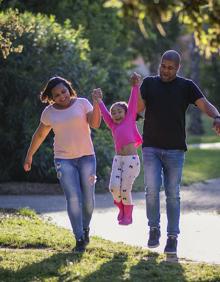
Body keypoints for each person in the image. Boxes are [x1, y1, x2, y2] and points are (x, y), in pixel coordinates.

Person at [137, 50, 220, 255]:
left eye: (170, 68)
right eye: (163, 66)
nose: (165, 71)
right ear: (160, 64)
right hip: (151, 147)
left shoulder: (186, 86)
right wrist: (134, 90)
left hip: (175, 149)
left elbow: (204, 105)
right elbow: (137, 110)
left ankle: (172, 237)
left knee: (173, 194)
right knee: (152, 189)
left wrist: (218, 116)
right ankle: (153, 229)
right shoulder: (148, 83)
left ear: (178, 68)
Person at [23, 76, 101, 253]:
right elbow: (40, 135)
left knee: (88, 200)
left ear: (69, 89)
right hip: (63, 160)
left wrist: (96, 103)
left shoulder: (82, 103)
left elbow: (95, 124)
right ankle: (79, 238)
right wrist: (29, 156)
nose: (61, 96)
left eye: (63, 91)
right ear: (51, 97)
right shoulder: (49, 113)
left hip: (87, 157)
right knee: (73, 198)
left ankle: (85, 228)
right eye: (56, 95)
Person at [94, 73, 142, 225]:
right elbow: (105, 114)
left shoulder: (129, 120)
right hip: (118, 160)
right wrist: (98, 100)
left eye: (119, 111)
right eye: (113, 112)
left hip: (131, 161)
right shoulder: (113, 125)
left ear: (127, 113)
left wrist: (135, 86)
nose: (115, 114)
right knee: (114, 188)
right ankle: (121, 208)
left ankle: (128, 214)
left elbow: (133, 102)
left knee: (125, 189)